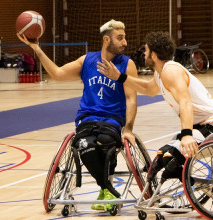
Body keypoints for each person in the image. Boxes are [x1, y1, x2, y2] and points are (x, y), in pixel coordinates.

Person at [17, 19, 138, 211]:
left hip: (112, 119)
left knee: (106, 143)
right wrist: (37, 49)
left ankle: (106, 191)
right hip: (87, 119)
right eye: (120, 38)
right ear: (106, 40)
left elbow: (131, 98)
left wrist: (129, 129)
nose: (125, 43)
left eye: (125, 38)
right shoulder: (87, 61)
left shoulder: (127, 64)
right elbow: (57, 73)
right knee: (84, 146)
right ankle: (106, 188)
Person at [97, 32, 213, 172]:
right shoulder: (161, 73)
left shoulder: (171, 71)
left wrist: (187, 134)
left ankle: (191, 185)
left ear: (154, 55)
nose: (144, 53)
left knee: (171, 157)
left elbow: (185, 102)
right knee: (164, 158)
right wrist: (119, 77)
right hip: (201, 126)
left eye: (147, 50)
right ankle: (191, 185)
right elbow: (148, 89)